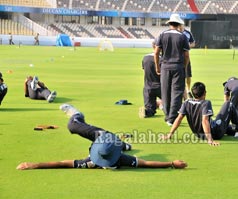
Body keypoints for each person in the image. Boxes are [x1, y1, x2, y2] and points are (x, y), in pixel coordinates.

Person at [16, 104, 187, 170]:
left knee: (72, 125)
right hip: (105, 138)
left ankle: (76, 114)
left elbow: (63, 163)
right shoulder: (121, 160)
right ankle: (124, 143)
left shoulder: (91, 162)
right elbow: (147, 163)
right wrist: (171, 163)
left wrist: (35, 165)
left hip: (104, 138)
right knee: (121, 144)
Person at [162, 82, 238, 146]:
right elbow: (204, 121)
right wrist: (210, 140)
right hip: (214, 133)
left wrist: (169, 134)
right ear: (204, 93)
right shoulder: (205, 103)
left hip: (199, 135)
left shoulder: (186, 103)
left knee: (225, 124)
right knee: (228, 104)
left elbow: (178, 118)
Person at [154, 13, 190, 126]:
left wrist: (157, 66)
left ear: (169, 23)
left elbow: (156, 52)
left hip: (165, 66)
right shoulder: (182, 36)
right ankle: (172, 117)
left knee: (165, 91)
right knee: (177, 92)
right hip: (178, 66)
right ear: (179, 24)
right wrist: (184, 66)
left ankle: (167, 115)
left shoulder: (162, 35)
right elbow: (187, 55)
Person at [139, 40, 162, 118]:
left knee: (150, 109)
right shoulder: (163, 59)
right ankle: (164, 108)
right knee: (171, 104)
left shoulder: (145, 58)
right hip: (161, 86)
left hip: (148, 87)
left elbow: (144, 69)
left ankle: (147, 111)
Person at [179, 25, 196, 99]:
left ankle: (188, 90)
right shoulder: (176, 33)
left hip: (186, 57)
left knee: (188, 75)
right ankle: (181, 91)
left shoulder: (188, 33)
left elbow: (193, 43)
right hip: (177, 57)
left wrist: (188, 45)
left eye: (181, 25)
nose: (180, 26)